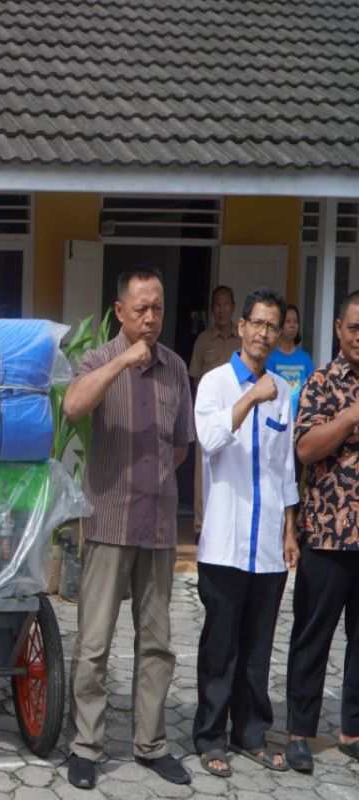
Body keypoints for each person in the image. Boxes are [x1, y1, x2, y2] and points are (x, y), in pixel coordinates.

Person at [62, 267, 195, 790]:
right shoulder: (98, 359)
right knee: (94, 643)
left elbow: (181, 442)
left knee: (157, 644)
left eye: (157, 307)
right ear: (119, 312)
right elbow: (73, 406)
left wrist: (158, 478)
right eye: (140, 308)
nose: (150, 317)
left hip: (159, 527)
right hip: (109, 522)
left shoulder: (177, 369)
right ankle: (85, 747)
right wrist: (123, 360)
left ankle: (151, 744)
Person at [192, 288, 299, 778]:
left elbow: (285, 470)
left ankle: (251, 733)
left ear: (280, 334)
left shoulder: (285, 390)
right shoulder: (215, 384)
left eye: (272, 326)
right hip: (224, 542)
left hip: (268, 545)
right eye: (256, 323)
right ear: (240, 326)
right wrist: (250, 396)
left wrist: (290, 529)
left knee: (257, 646)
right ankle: (210, 735)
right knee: (220, 647)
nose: (263, 333)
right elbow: (210, 440)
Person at [284, 289, 359, 774]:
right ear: (338, 330)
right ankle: (298, 732)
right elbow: (307, 448)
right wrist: (352, 415)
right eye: (354, 329)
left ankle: (352, 728)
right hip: (329, 534)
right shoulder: (320, 383)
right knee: (313, 635)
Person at [189, 285, 242, 535]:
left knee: (235, 467)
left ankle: (231, 523)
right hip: (210, 415)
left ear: (233, 307)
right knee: (203, 470)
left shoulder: (242, 340)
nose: (221, 309)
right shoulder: (203, 340)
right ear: (212, 309)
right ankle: (202, 525)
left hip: (238, 414)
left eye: (226, 304)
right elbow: (195, 378)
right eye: (217, 305)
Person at [267, 303, 315, 416]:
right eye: (288, 321)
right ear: (279, 325)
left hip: (300, 420)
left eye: (296, 321)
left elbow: (312, 390)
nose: (292, 325)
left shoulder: (305, 358)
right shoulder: (271, 358)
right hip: (277, 420)